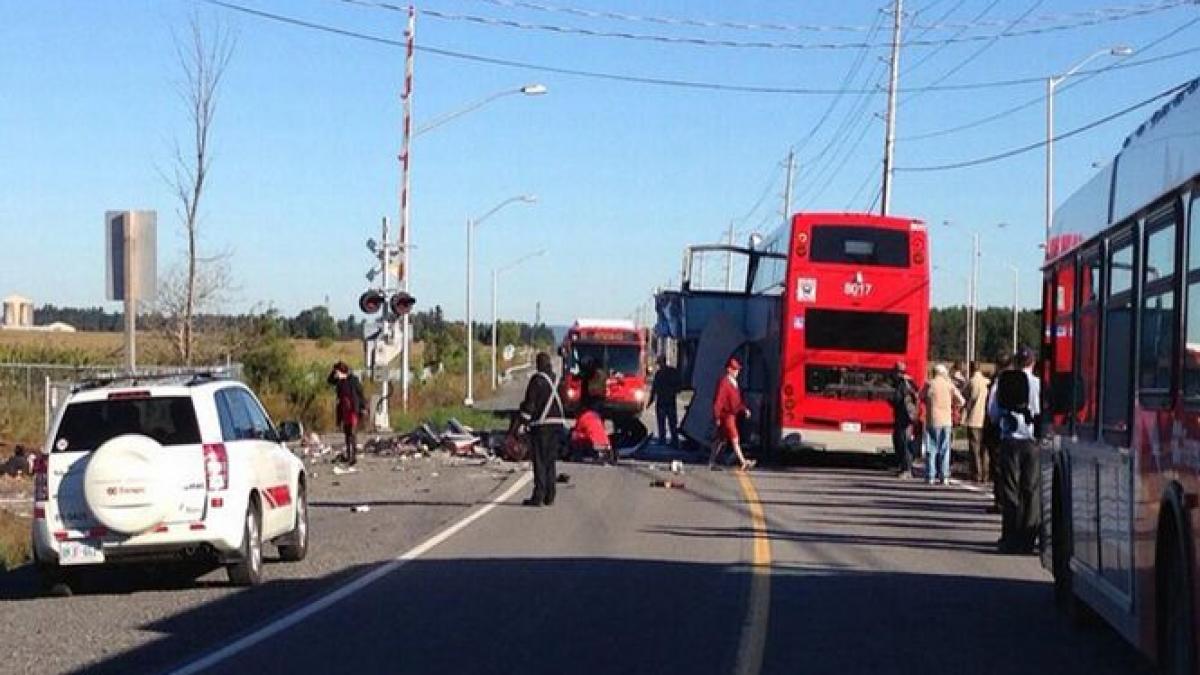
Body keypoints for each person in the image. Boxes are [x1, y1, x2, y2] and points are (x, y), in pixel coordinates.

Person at [988, 345, 1041, 554]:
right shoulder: (1039, 384)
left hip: (1010, 441)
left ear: (1017, 361)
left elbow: (993, 413)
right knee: (1031, 490)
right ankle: (1028, 538)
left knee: (1010, 489)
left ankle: (1010, 537)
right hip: (1032, 442)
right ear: (1033, 362)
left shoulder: (1003, 382)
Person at [520, 352, 567, 506]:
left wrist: (522, 422)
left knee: (539, 461)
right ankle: (550, 495)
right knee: (550, 460)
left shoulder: (537, 380)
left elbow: (530, 405)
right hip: (557, 424)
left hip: (541, 425)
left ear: (538, 364)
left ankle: (538, 495)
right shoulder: (557, 380)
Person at [921, 363, 964, 485]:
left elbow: (920, 396)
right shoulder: (949, 385)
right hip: (946, 420)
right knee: (945, 449)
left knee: (931, 448)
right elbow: (962, 400)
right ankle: (944, 475)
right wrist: (952, 405)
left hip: (932, 420)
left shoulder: (929, 384)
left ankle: (930, 475)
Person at [709, 357, 752, 472]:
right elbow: (719, 400)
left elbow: (737, 401)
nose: (737, 372)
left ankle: (711, 461)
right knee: (734, 437)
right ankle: (743, 461)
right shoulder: (725, 383)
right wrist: (716, 416)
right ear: (729, 370)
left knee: (720, 439)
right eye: (735, 369)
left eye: (737, 369)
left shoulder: (733, 383)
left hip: (731, 414)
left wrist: (744, 409)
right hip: (726, 415)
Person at [982, 352, 1012, 514]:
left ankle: (1000, 501)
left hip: (998, 430)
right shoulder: (1021, 380)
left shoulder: (999, 383)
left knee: (998, 467)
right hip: (1015, 431)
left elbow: (993, 409)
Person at [327, 361, 366, 466]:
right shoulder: (339, 382)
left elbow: (360, 394)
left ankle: (353, 457)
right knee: (347, 433)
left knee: (352, 434)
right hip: (344, 410)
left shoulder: (353, 380)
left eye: (337, 372)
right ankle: (349, 455)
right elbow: (329, 381)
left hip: (353, 409)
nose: (336, 374)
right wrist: (334, 371)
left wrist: (363, 407)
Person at [890, 361, 919, 479]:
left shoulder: (902, 383)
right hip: (908, 416)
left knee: (903, 443)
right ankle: (905, 467)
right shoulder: (910, 381)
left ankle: (906, 469)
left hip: (904, 416)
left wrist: (890, 401)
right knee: (902, 441)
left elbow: (898, 398)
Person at [963, 362, 992, 483]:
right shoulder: (987, 382)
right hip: (986, 418)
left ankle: (976, 473)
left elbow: (965, 397)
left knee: (974, 447)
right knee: (984, 448)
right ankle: (986, 473)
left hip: (974, 418)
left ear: (971, 369)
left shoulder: (971, 382)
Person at [648, 355, 682, 447]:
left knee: (671, 422)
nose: (659, 365)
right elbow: (654, 389)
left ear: (663, 362)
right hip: (663, 402)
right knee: (663, 422)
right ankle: (664, 439)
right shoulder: (661, 373)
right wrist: (650, 401)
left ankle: (673, 441)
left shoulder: (668, 373)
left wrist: (673, 391)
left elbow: (678, 385)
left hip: (667, 401)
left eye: (659, 363)